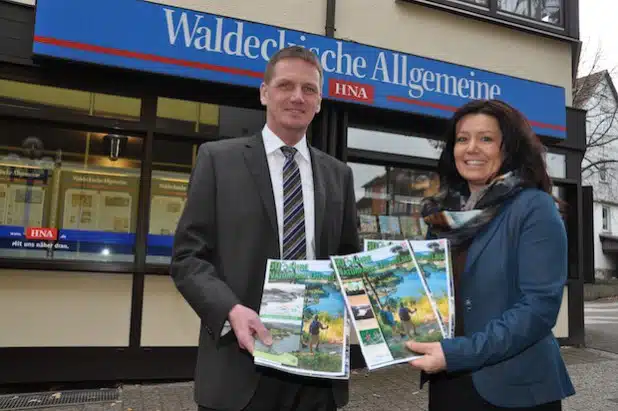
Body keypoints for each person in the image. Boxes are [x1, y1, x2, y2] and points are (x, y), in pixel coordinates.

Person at [170, 46, 360, 411]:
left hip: (316, 373)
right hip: (240, 371)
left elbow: (349, 262)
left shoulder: (340, 175)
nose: (297, 97)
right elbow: (187, 258)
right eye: (286, 85)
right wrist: (230, 309)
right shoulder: (217, 160)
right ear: (264, 92)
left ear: (319, 102)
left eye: (309, 89)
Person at [405, 99, 575, 410]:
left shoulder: (534, 207)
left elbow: (538, 310)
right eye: (462, 138)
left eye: (486, 138)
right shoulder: (443, 217)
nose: (471, 148)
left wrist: (458, 353)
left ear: (508, 148)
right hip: (449, 382)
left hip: (514, 389)